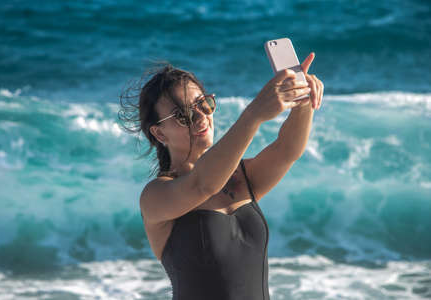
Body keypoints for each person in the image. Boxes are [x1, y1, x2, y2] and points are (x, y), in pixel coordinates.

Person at [118, 53, 323, 300]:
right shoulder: (155, 196)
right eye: (182, 115)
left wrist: (303, 101)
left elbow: (286, 150)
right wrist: (253, 115)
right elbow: (202, 186)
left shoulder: (241, 178)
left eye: (203, 104)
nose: (200, 116)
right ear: (160, 134)